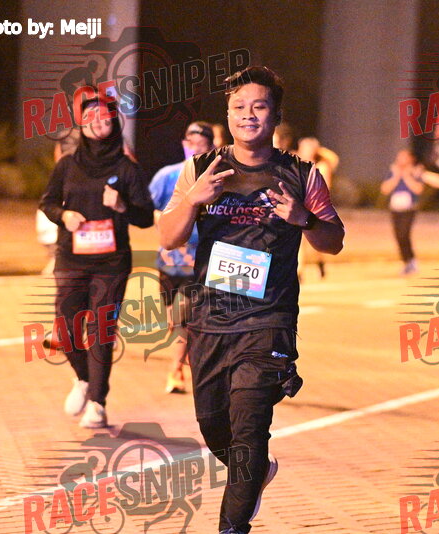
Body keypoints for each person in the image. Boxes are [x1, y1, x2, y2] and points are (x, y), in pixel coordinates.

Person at [158, 66, 344, 534]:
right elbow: (168, 237)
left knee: (249, 427)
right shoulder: (202, 169)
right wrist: (193, 201)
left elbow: (334, 241)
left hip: (267, 322)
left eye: (259, 106)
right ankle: (256, 470)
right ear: (227, 114)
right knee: (214, 427)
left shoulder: (301, 175)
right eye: (238, 107)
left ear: (275, 115)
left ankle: (232, 526)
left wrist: (303, 219)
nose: (248, 115)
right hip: (210, 320)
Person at [39, 96, 154, 428]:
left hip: (111, 263)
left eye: (104, 119)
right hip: (71, 258)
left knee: (101, 331)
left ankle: (98, 403)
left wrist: (122, 207)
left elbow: (146, 217)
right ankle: (83, 379)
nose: (97, 123)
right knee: (65, 327)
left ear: (113, 125)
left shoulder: (126, 168)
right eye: (90, 118)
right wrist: (64, 215)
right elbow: (47, 202)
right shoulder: (67, 165)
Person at [149, 121, 215, 393]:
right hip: (169, 260)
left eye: (202, 144)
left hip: (199, 261)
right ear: (184, 144)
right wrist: (171, 230)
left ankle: (175, 370)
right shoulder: (167, 175)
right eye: (191, 143)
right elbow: (151, 210)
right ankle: (184, 348)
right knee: (172, 319)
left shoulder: (218, 179)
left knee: (182, 316)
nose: (195, 149)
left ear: (211, 147)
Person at [296, 137, 339, 280]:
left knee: (315, 240)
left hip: (316, 207)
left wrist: (320, 151)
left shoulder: (321, 166)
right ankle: (299, 272)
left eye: (308, 148)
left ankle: (320, 263)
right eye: (303, 148)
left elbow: (334, 160)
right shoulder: (296, 164)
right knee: (298, 239)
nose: (304, 151)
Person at [381, 149, 424, 274]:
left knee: (404, 234)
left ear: (410, 159)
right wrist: (396, 176)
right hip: (395, 209)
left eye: (404, 157)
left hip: (409, 209)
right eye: (399, 157)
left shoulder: (416, 172)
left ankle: (411, 260)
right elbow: (385, 189)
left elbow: (418, 189)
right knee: (398, 236)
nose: (400, 160)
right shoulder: (393, 172)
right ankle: (407, 262)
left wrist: (406, 175)